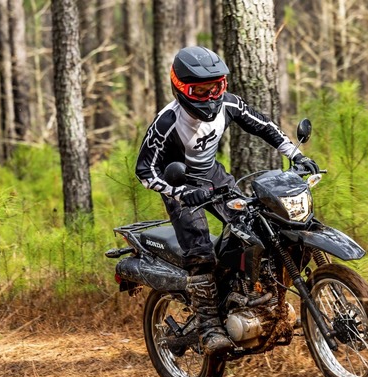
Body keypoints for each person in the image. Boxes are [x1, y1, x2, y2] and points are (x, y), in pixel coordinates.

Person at [135, 46, 320, 354]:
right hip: (180, 187)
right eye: (200, 89)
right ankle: (208, 326)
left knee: (257, 231)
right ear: (180, 87)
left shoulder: (230, 104)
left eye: (216, 87)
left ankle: (255, 300)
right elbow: (144, 171)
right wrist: (178, 192)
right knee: (201, 252)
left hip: (215, 178)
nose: (209, 96)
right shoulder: (167, 122)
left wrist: (297, 155)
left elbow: (264, 126)